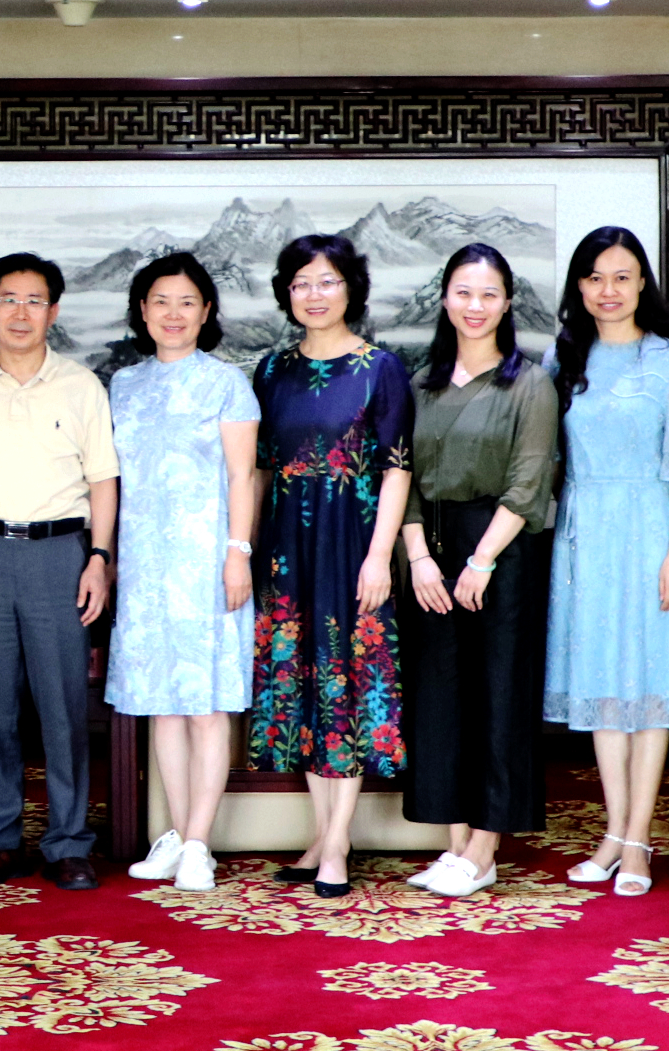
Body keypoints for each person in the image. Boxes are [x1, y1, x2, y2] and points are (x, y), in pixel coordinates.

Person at [0, 252, 118, 892]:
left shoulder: (81, 385)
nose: (20, 312)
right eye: (8, 299)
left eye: (34, 300)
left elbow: (103, 480)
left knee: (63, 707)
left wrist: (98, 559)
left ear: (52, 312)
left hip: (59, 554)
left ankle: (68, 842)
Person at [250, 234, 414, 900]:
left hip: (352, 544)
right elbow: (262, 468)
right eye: (301, 283)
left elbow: (397, 468)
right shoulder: (271, 369)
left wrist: (379, 555)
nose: (313, 294)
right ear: (286, 293)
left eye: (327, 281)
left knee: (345, 684)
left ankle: (339, 840)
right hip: (287, 549)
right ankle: (322, 833)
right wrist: (249, 550)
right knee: (303, 689)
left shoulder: (381, 368)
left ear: (351, 289)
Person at [543, 227, 669, 898]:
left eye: (621, 276)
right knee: (604, 690)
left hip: (650, 531)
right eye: (594, 277)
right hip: (583, 536)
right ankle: (613, 833)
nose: (607, 290)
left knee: (649, 687)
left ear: (642, 284)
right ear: (578, 287)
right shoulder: (562, 358)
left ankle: (638, 838)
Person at [399, 243, 559, 899]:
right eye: (463, 292)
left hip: (501, 550)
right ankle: (456, 842)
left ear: (507, 302)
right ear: (445, 298)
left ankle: (486, 845)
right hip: (428, 554)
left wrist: (481, 559)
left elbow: (527, 483)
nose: (475, 305)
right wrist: (417, 557)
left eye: (489, 294)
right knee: (440, 696)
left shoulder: (529, 384)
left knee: (498, 694)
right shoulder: (420, 384)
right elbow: (402, 478)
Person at [110, 253, 260, 894]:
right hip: (144, 564)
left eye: (187, 302)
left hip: (207, 562)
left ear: (206, 312)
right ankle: (175, 836)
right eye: (160, 301)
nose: (173, 314)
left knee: (205, 706)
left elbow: (242, 475)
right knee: (162, 707)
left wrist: (237, 552)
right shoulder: (123, 385)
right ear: (143, 311)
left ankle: (199, 844)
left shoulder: (227, 383)